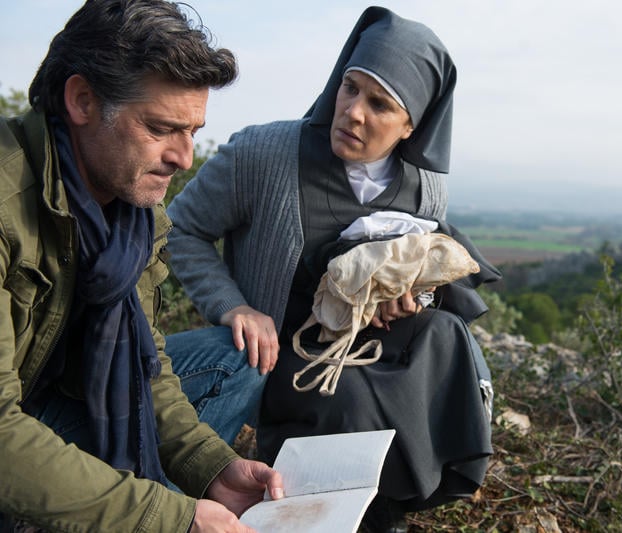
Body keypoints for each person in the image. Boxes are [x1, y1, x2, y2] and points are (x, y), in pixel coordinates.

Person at [167, 6, 498, 532]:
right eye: (350, 88)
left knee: (444, 343)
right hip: (291, 359)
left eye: (379, 104)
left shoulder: (426, 187)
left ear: (412, 123)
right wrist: (232, 306)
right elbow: (178, 229)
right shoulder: (264, 154)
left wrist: (410, 295)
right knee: (350, 412)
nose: (353, 112)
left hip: (376, 349)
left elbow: (424, 271)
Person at [0, 1, 284, 531]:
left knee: (237, 357)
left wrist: (213, 468)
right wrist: (168, 517)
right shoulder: (4, 205)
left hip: (46, 399)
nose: (184, 157)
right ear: (83, 100)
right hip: (9, 423)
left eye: (193, 131)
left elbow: (144, 366)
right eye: (160, 127)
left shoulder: (136, 216)